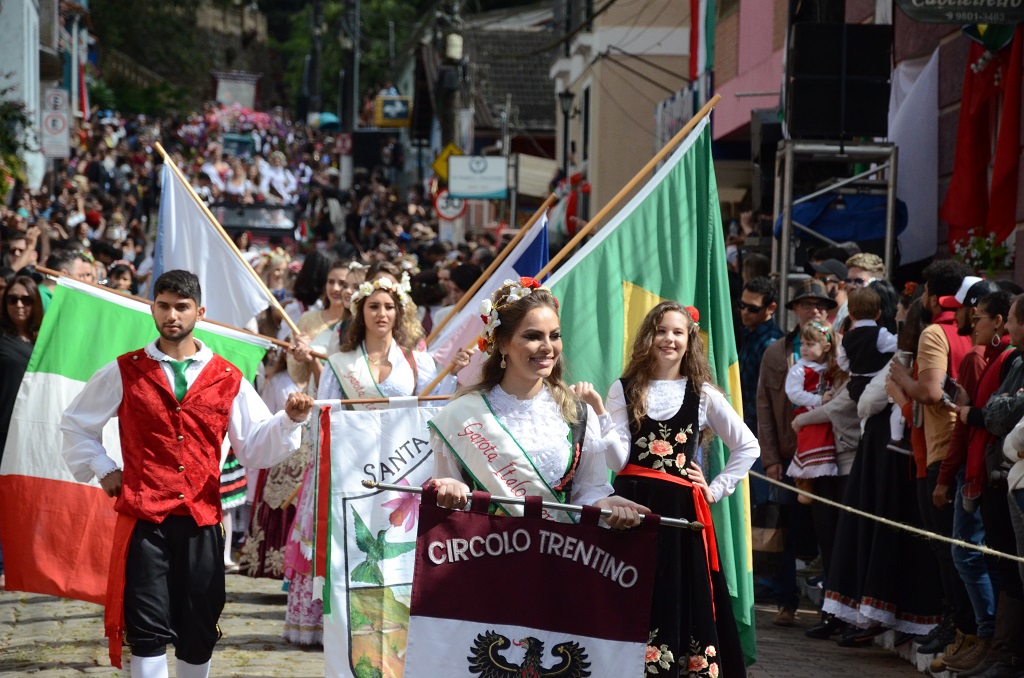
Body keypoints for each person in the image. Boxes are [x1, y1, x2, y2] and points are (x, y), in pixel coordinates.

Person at [59, 270, 315, 678]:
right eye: (163, 306)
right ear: (152, 308)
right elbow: (75, 423)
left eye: (181, 307)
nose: (171, 316)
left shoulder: (227, 376)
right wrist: (104, 467)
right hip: (145, 522)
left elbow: (253, 444)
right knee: (146, 628)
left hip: (202, 520)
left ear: (200, 311)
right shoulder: (126, 370)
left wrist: (288, 420)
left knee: (198, 626)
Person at [604, 301, 758, 677]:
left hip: (680, 509)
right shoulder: (623, 388)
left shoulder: (702, 393)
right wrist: (599, 420)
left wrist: (716, 488)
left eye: (677, 332)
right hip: (631, 506)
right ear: (648, 337)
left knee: (676, 589)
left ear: (690, 340)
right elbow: (615, 459)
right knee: (629, 585)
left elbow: (748, 446)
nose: (668, 339)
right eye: (661, 330)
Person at [427, 278, 645, 526]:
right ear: (502, 344)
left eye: (555, 335)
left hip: (558, 556)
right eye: (533, 336)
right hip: (487, 555)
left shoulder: (577, 414)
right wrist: (452, 489)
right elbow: (447, 484)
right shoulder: (462, 414)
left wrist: (603, 505)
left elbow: (589, 490)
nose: (547, 347)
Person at [889, 260, 975, 661]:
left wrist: (901, 382)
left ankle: (960, 627)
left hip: (942, 446)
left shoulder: (936, 331)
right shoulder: (968, 329)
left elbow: (929, 391)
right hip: (957, 444)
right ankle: (961, 626)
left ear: (931, 294)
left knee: (948, 547)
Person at [757, 278, 835, 625]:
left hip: (829, 454)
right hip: (788, 454)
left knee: (827, 529)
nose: (814, 310)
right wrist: (771, 458)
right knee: (781, 528)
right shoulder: (776, 352)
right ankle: (785, 602)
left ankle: (831, 608)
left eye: (820, 305)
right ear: (793, 311)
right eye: (806, 304)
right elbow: (763, 406)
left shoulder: (838, 349)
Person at [0, 274, 44, 591]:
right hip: (2, 431)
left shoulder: (45, 341)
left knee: (27, 501)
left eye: (26, 299)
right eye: (13, 298)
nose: (19, 304)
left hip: (33, 434)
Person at [785, 320, 841, 502]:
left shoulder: (834, 367)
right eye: (803, 343)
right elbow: (793, 393)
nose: (804, 348)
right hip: (808, 415)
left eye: (810, 344)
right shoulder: (799, 369)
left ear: (826, 347)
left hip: (830, 417)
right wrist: (818, 400)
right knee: (811, 443)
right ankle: (805, 482)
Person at [838, 286, 898, 403]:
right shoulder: (880, 334)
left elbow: (842, 362)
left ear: (850, 315)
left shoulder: (846, 338)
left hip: (855, 385)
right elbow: (897, 344)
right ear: (878, 314)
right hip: (876, 384)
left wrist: (855, 367)